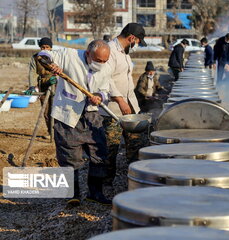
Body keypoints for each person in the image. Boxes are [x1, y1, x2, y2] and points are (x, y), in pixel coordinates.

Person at [38, 40, 112, 206]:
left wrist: (99, 96)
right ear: (87, 54)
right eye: (97, 60)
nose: (101, 64)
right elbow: (43, 55)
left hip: (92, 115)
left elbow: (106, 90)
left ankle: (96, 192)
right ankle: (73, 194)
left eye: (104, 61)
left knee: (99, 154)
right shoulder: (69, 55)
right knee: (69, 157)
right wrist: (51, 65)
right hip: (68, 115)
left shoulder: (106, 67)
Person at [101, 23, 147, 187]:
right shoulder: (110, 51)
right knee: (111, 148)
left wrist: (135, 107)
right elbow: (106, 78)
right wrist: (120, 100)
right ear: (131, 38)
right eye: (138, 42)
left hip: (129, 108)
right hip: (113, 110)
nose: (138, 45)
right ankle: (106, 185)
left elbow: (126, 80)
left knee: (136, 146)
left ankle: (135, 181)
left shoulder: (125, 52)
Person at [27, 37, 57, 139]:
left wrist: (56, 78)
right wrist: (31, 86)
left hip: (56, 85)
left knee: (56, 110)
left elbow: (62, 69)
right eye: (43, 47)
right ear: (40, 47)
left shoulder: (56, 56)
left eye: (47, 47)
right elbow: (32, 72)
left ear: (51, 48)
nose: (45, 49)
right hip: (43, 85)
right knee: (46, 110)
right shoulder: (35, 57)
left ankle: (58, 133)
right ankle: (50, 132)